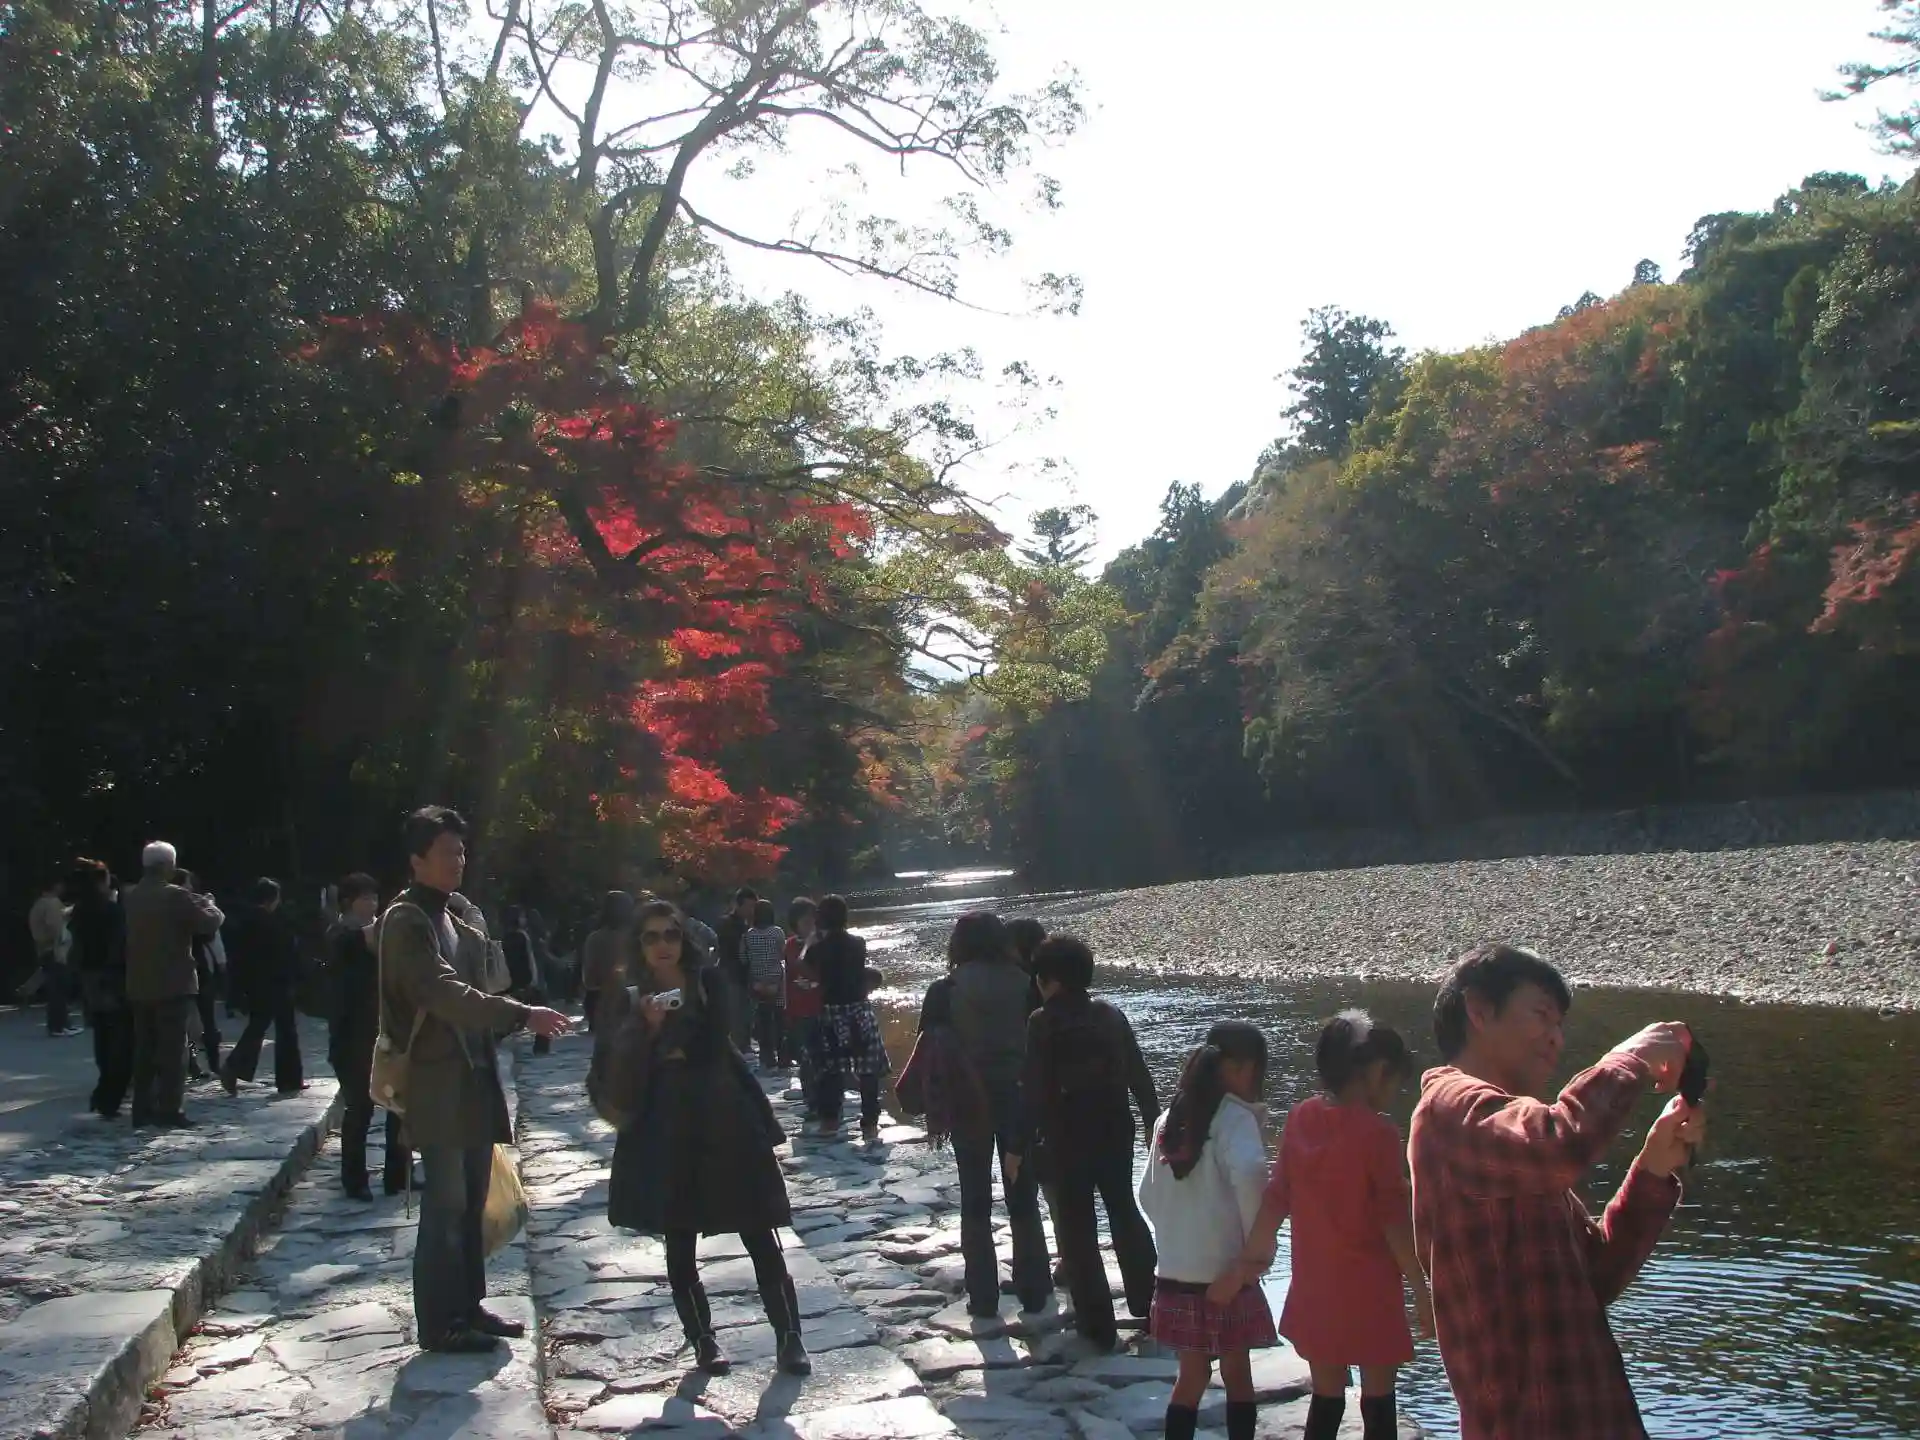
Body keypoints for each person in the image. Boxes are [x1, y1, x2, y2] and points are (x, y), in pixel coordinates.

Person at [1409, 943, 1703, 1440]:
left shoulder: (1507, 1139)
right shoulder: (1449, 1108)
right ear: (1479, 1010)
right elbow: (1558, 1143)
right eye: (1541, 1015)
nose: (1556, 1038)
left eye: (1560, 1024)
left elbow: (1597, 1278)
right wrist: (1629, 1058)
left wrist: (1653, 1168)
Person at [379, 806, 571, 1353]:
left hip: (472, 1074)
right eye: (446, 852)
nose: (457, 861)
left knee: (472, 1199)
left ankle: (468, 1305)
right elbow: (441, 991)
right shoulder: (407, 920)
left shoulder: (454, 918)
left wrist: (478, 931)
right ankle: (440, 1321)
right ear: (417, 859)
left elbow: (491, 977)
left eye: (461, 851)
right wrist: (522, 1014)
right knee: (446, 1201)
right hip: (436, 1079)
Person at [598, 899, 811, 1377]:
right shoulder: (627, 997)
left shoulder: (709, 982)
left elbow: (716, 1042)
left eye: (670, 934)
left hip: (725, 1119)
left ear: (684, 938)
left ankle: (790, 1337)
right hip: (663, 1129)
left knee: (760, 1229)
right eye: (651, 937)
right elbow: (616, 1067)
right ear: (639, 945)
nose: (663, 945)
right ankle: (703, 1341)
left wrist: (669, 1043)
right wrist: (648, 1030)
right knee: (679, 1239)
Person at [1219, 1011, 1430, 1440]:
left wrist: (1247, 1265)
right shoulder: (1378, 1133)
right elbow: (1393, 1223)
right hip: (1371, 1292)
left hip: (1316, 1290)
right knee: (1378, 1402)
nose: (1391, 1094)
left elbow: (1275, 1200)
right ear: (1375, 1071)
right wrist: (1422, 1291)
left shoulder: (1302, 1117)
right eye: (1393, 1082)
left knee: (1327, 1398)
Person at [1138, 1021, 1276, 1440]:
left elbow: (1146, 1194)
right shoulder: (1236, 1119)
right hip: (1227, 1275)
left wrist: (1175, 1238)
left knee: (1191, 1376)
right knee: (1237, 1373)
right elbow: (1251, 1174)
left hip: (1176, 1275)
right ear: (1241, 1068)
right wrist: (1255, 1251)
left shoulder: (1169, 1119)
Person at [1023, 934, 1158, 1349]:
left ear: (1049, 980)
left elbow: (1036, 1087)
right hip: (1116, 1126)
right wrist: (1153, 1122)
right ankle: (1150, 1303)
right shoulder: (1110, 1014)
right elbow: (1138, 1073)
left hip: (1066, 1134)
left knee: (1077, 1227)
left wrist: (1026, 1138)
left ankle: (1097, 1325)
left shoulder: (1041, 1021)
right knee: (1124, 1210)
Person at [918, 910, 1049, 1316]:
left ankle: (983, 1295)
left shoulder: (944, 990)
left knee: (974, 1198)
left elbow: (928, 1049)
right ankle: (1034, 1288)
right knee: (1023, 1194)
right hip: (1019, 1097)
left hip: (967, 1100)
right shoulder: (1026, 984)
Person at [123, 841, 225, 1128]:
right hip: (173, 982)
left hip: (139, 981)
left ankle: (141, 1108)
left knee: (144, 1048)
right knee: (173, 1050)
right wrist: (209, 904)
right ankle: (170, 1109)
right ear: (168, 865)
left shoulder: (131, 896)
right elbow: (208, 923)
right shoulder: (175, 895)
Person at [328, 873, 410, 1200]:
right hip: (351, 1039)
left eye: (375, 898)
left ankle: (397, 1175)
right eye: (366, 898)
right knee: (360, 1110)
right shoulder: (340, 936)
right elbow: (371, 937)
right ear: (348, 902)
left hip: (385, 1033)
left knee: (397, 1107)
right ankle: (355, 1180)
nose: (372, 904)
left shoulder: (377, 932)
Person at [808, 894, 889, 1139]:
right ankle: (870, 1122)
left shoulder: (818, 948)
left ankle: (830, 1120)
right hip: (859, 1009)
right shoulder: (858, 943)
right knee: (868, 1069)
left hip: (832, 1011)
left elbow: (805, 966)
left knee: (831, 1068)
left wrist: (811, 940)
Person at [220, 878, 305, 1096]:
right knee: (286, 1030)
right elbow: (285, 952)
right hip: (276, 982)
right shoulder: (272, 923)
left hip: (255, 984)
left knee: (258, 1026)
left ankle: (234, 1066)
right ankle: (289, 1079)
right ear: (273, 899)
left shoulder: (244, 921)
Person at [68, 859, 132, 1116]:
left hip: (89, 977)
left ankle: (104, 1091)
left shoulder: (79, 911)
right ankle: (109, 1095)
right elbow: (120, 945)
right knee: (122, 1039)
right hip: (112, 977)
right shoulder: (113, 911)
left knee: (102, 1037)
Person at [28, 875, 80, 1037]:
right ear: (55, 886)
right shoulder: (52, 903)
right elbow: (55, 927)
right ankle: (59, 1025)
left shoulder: (38, 904)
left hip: (44, 950)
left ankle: (59, 1024)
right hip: (55, 950)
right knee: (59, 989)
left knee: (55, 989)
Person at [783, 898, 822, 1106]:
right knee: (805, 1058)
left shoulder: (821, 943)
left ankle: (824, 1098)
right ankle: (811, 1100)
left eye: (814, 920)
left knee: (822, 1056)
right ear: (795, 923)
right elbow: (795, 971)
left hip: (820, 1007)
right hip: (799, 1009)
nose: (811, 925)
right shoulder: (790, 945)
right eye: (806, 921)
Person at [580, 891, 634, 1033]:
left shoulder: (595, 938)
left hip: (600, 1000)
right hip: (631, 997)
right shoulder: (637, 938)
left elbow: (589, 979)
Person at [744, 898, 787, 1072]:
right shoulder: (777, 932)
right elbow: (783, 954)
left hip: (757, 982)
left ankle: (766, 1057)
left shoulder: (748, 934)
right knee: (779, 1020)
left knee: (763, 1020)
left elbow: (743, 957)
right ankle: (783, 1056)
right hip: (776, 981)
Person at [713, 886, 758, 1052]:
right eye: (748, 906)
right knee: (735, 1015)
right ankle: (738, 1049)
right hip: (731, 974)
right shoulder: (727, 924)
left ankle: (745, 1046)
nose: (751, 910)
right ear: (738, 905)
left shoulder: (749, 926)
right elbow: (728, 949)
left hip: (746, 976)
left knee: (747, 1015)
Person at [501, 905, 550, 1056]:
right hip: (527, 982)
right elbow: (528, 961)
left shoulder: (505, 937)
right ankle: (541, 1048)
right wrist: (532, 981)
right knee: (544, 1013)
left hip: (512, 983)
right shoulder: (522, 936)